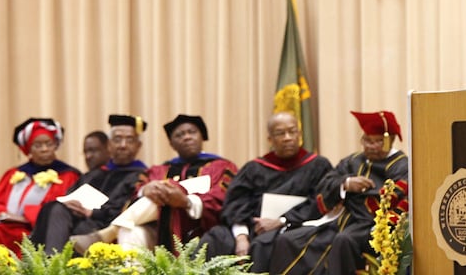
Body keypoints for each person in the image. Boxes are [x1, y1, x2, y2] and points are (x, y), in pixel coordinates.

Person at [71, 114, 238, 252]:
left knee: (161, 191)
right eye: (179, 135)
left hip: (201, 229)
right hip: (159, 232)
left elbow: (223, 199)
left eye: (191, 132)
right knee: (131, 230)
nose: (186, 137)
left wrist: (185, 201)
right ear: (172, 144)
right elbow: (133, 196)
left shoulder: (221, 167)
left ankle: (106, 234)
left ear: (202, 137)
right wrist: (145, 189)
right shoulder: (158, 170)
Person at [269, 110, 409, 274]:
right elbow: (326, 183)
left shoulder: (401, 165)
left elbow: (396, 197)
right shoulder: (353, 160)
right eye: (366, 141)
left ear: (389, 140)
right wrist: (346, 184)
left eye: (376, 141)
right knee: (288, 239)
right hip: (340, 219)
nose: (370, 146)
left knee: (343, 240)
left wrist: (362, 194)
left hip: (371, 225)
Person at [199, 111, 333, 273]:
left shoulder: (318, 165)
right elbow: (235, 204)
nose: (287, 137)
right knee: (215, 238)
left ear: (300, 134)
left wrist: (282, 221)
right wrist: (241, 236)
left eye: (292, 131)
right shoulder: (254, 168)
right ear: (270, 139)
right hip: (253, 226)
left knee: (264, 244)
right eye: (280, 133)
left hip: (295, 226)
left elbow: (319, 203)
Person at [30, 114, 148, 254]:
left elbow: (128, 211)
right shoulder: (94, 174)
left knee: (78, 229)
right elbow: (70, 195)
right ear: (109, 144)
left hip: (105, 227)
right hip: (75, 219)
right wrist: (70, 203)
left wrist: (93, 212)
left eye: (129, 140)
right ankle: (46, 265)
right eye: (117, 139)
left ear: (138, 146)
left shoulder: (141, 177)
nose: (123, 145)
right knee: (53, 208)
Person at [0, 118, 81, 255]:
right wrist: (4, 214)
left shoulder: (68, 176)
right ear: (28, 149)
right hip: (6, 227)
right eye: (38, 145)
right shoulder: (14, 174)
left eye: (49, 144)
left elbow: (59, 210)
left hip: (37, 231)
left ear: (56, 145)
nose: (44, 149)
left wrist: (25, 217)